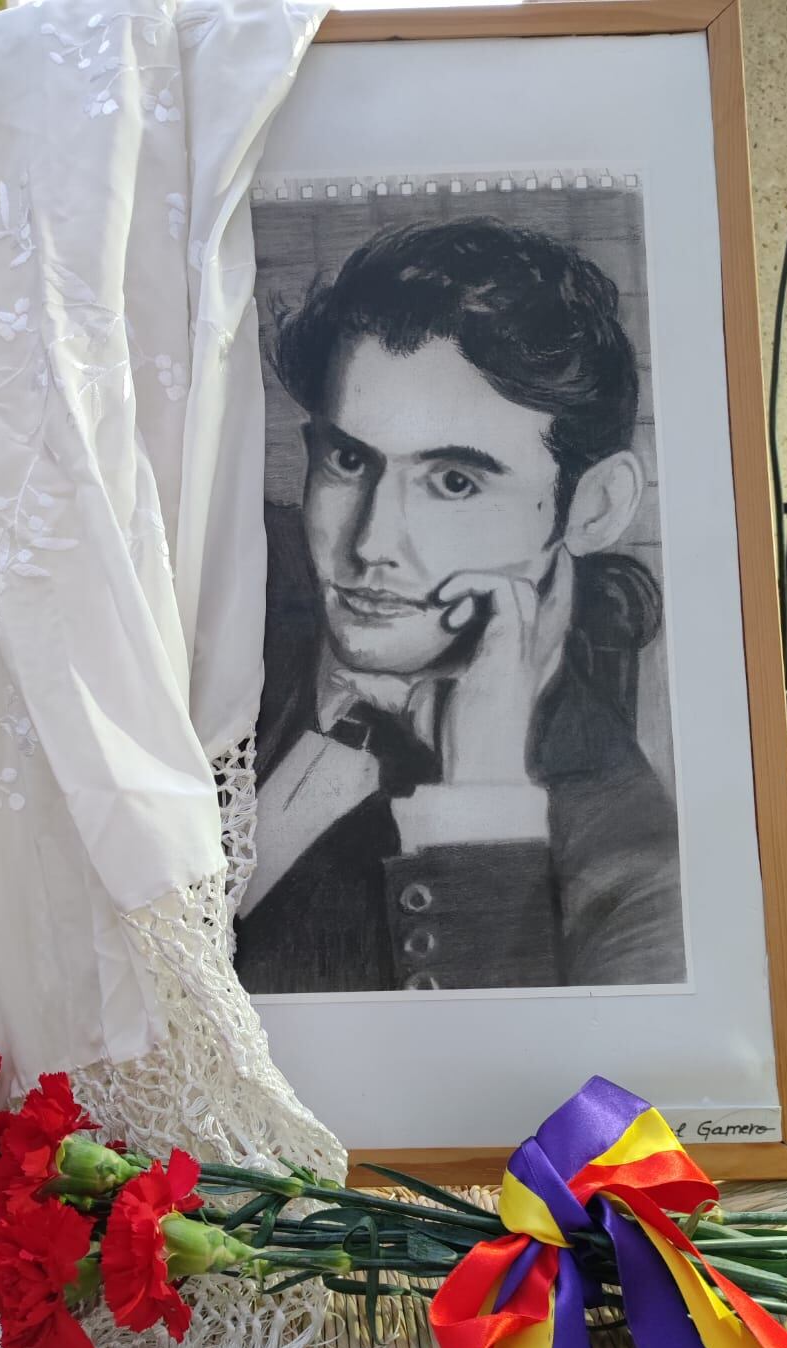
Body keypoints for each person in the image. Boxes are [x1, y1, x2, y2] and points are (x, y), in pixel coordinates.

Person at [234, 217, 686, 994]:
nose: (371, 543)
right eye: (348, 461)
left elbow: (517, 1095)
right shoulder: (238, 592)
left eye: (454, 482)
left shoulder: (635, 860)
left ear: (593, 507)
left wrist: (480, 806)